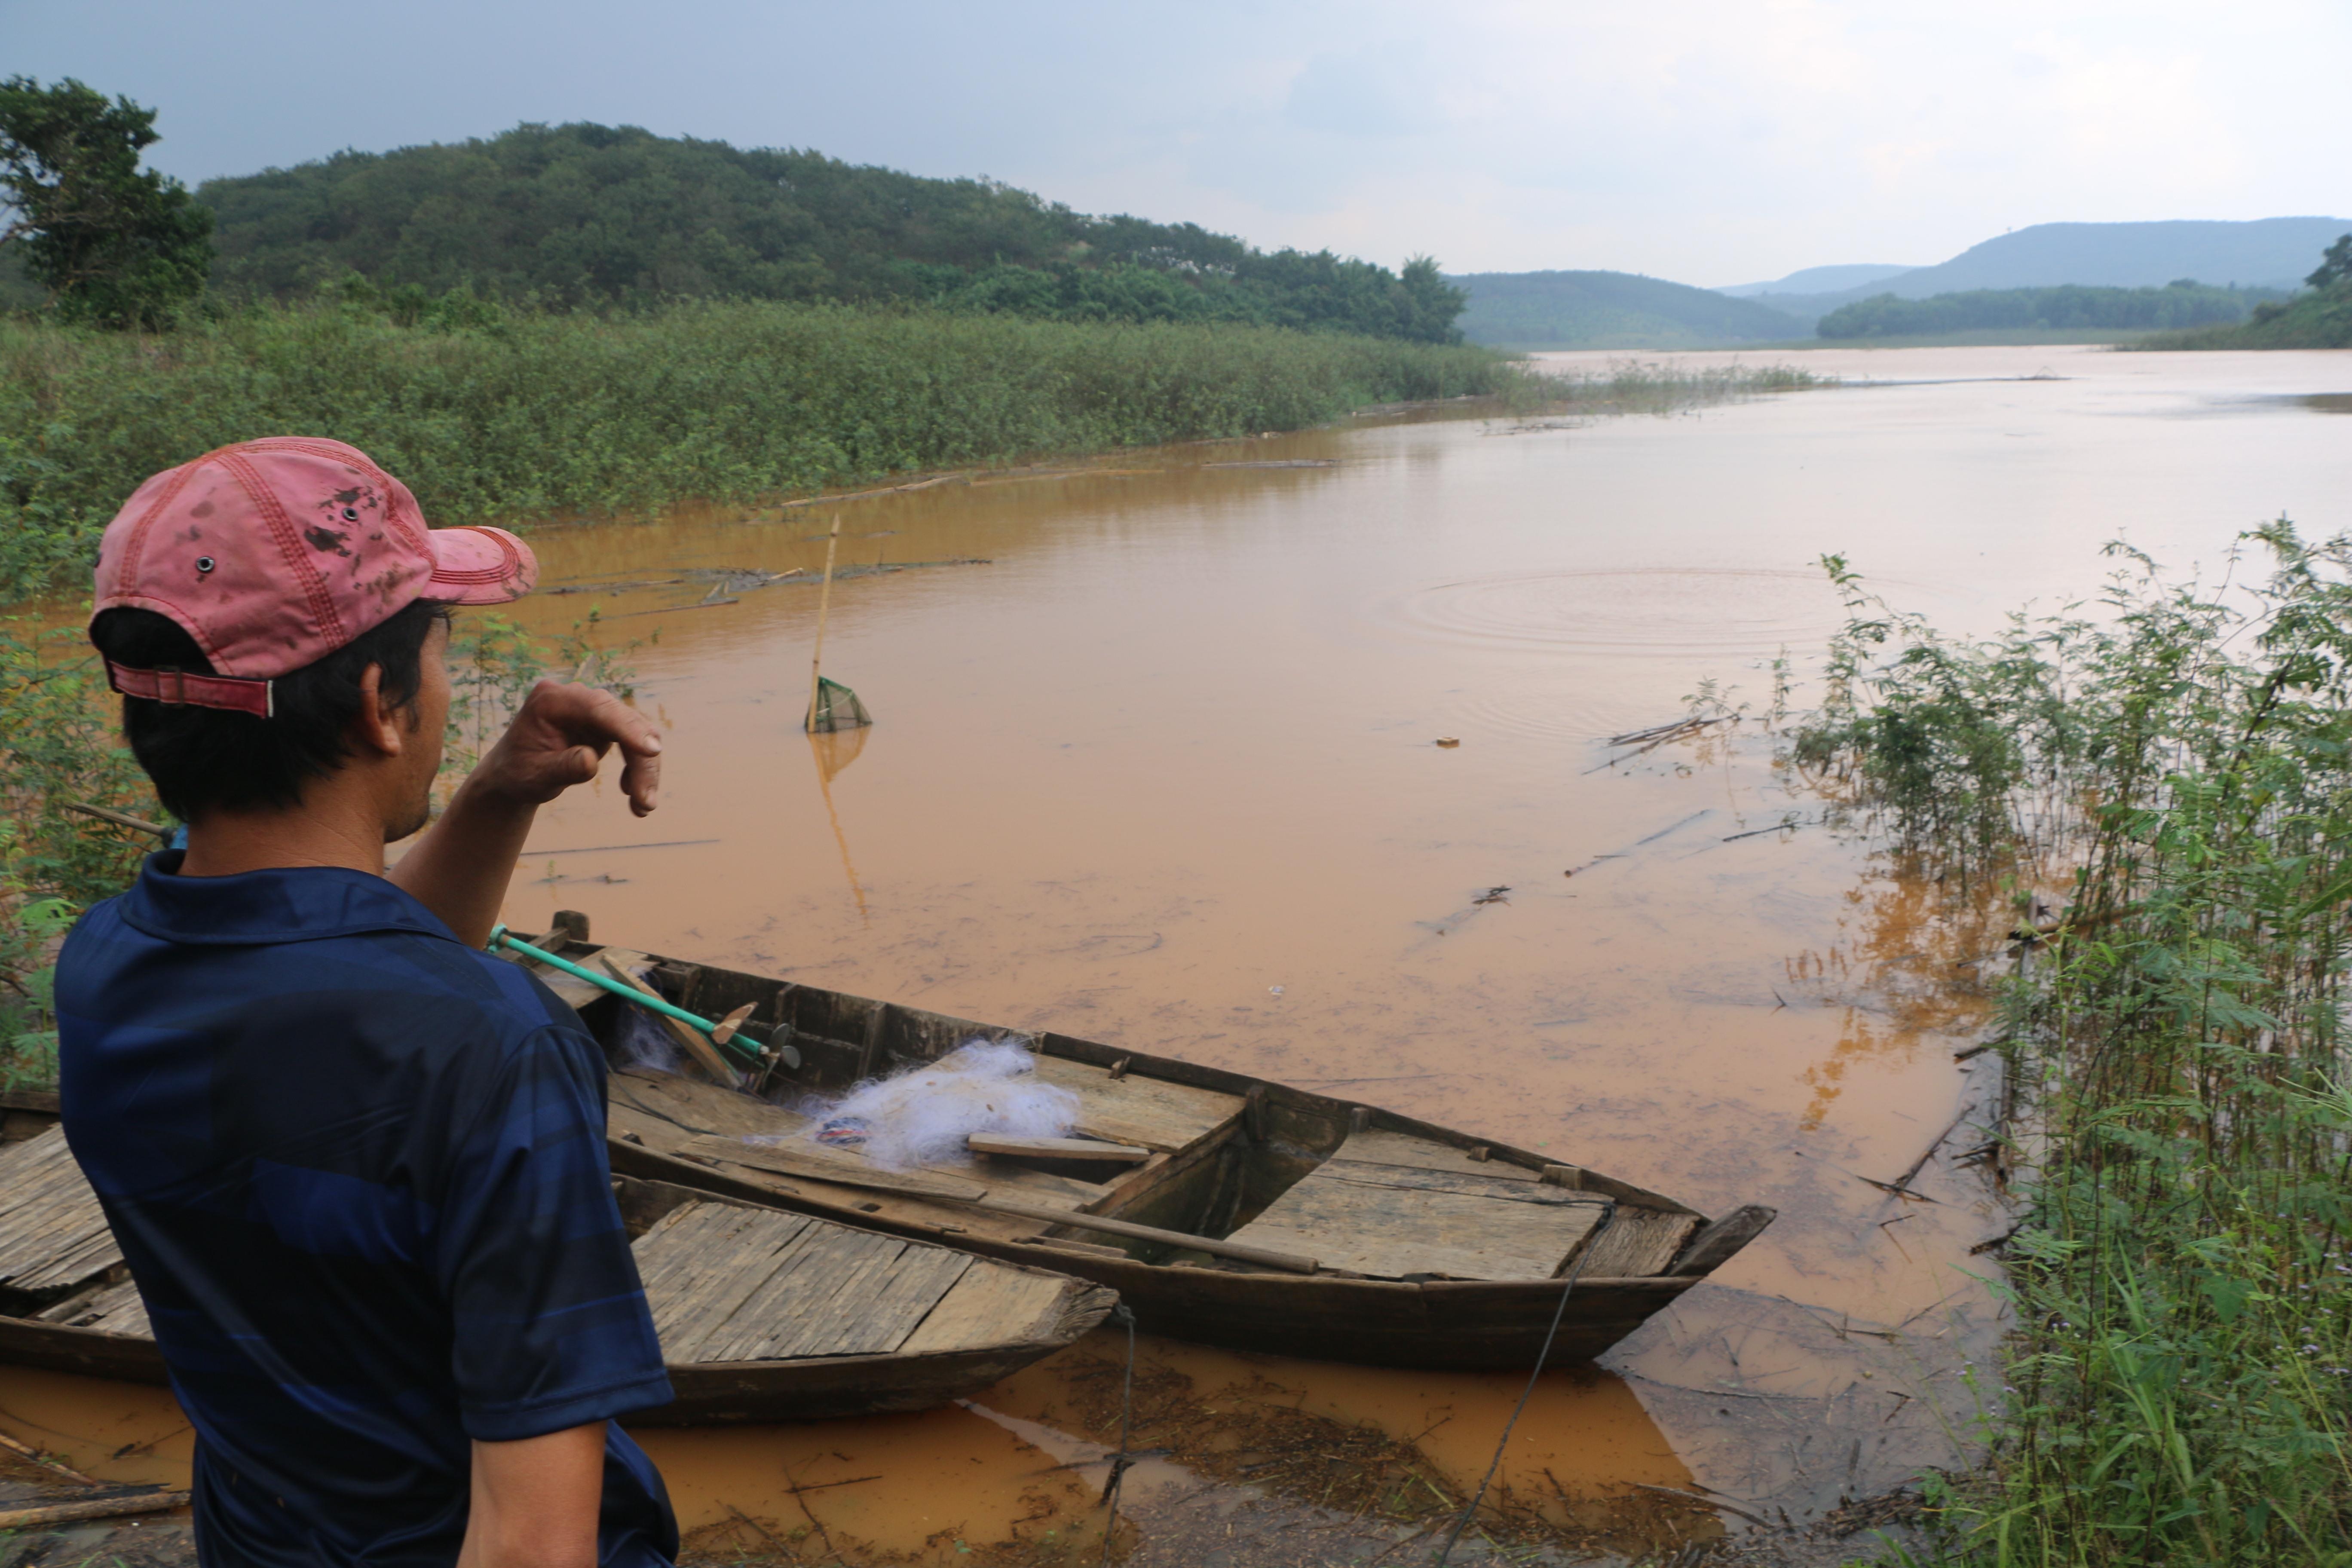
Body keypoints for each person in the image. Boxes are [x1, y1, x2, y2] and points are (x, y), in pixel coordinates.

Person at [53, 438, 679, 1568]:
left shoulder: (105, 963)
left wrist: (492, 797)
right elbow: (531, 1546)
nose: (448, 684)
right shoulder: (498, 1054)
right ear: (384, 705)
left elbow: (354, 1000)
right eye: (444, 655)